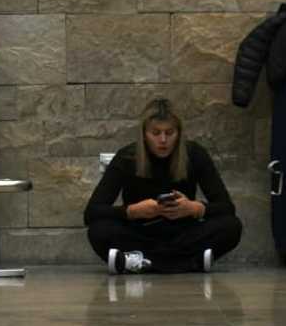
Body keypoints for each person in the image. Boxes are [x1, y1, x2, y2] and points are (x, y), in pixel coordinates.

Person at [84, 98, 243, 274]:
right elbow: (92, 213)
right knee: (98, 231)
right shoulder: (126, 157)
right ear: (144, 134)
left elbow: (227, 208)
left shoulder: (195, 154)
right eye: (156, 133)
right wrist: (131, 211)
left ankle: (138, 262)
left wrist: (194, 208)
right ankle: (189, 263)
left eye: (169, 132)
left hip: (184, 234)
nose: (163, 140)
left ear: (179, 133)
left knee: (231, 226)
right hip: (140, 233)